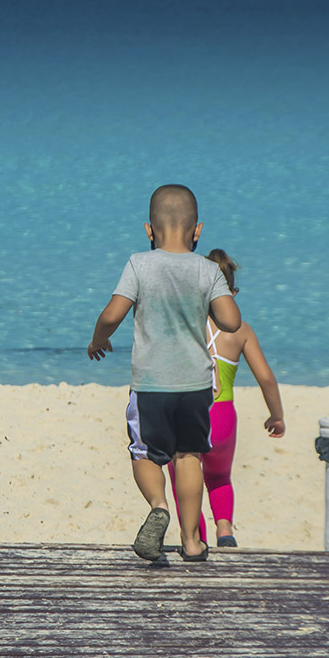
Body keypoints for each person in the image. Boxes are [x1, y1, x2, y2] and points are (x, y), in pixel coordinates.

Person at [87, 184, 241, 563]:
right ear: (198, 230)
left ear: (148, 230)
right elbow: (231, 321)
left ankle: (158, 506)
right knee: (189, 456)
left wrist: (98, 340)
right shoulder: (208, 270)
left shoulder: (139, 264)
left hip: (151, 384)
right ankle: (192, 542)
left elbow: (112, 314)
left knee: (146, 454)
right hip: (196, 385)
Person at [166, 249, 284, 548]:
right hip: (222, 417)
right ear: (232, 293)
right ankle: (224, 530)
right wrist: (276, 415)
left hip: (184, 414)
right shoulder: (241, 331)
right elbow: (266, 378)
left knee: (183, 478)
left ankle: (196, 537)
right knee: (219, 478)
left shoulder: (183, 326)